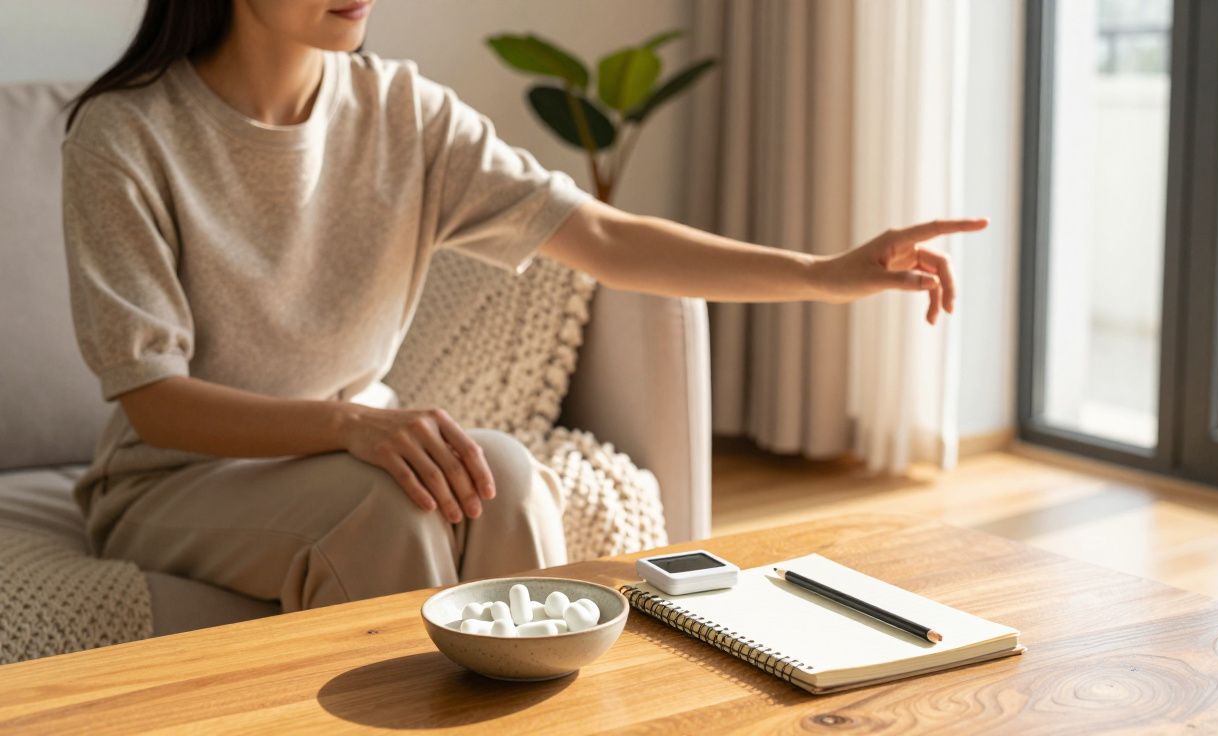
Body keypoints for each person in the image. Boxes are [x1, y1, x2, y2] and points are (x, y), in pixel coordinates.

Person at [62, 0, 988, 614]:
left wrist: (823, 272)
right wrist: (351, 424)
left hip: (350, 454)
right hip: (174, 480)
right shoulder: (126, 135)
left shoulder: (404, 113)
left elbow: (605, 238)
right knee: (390, 511)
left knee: (503, 473)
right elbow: (154, 400)